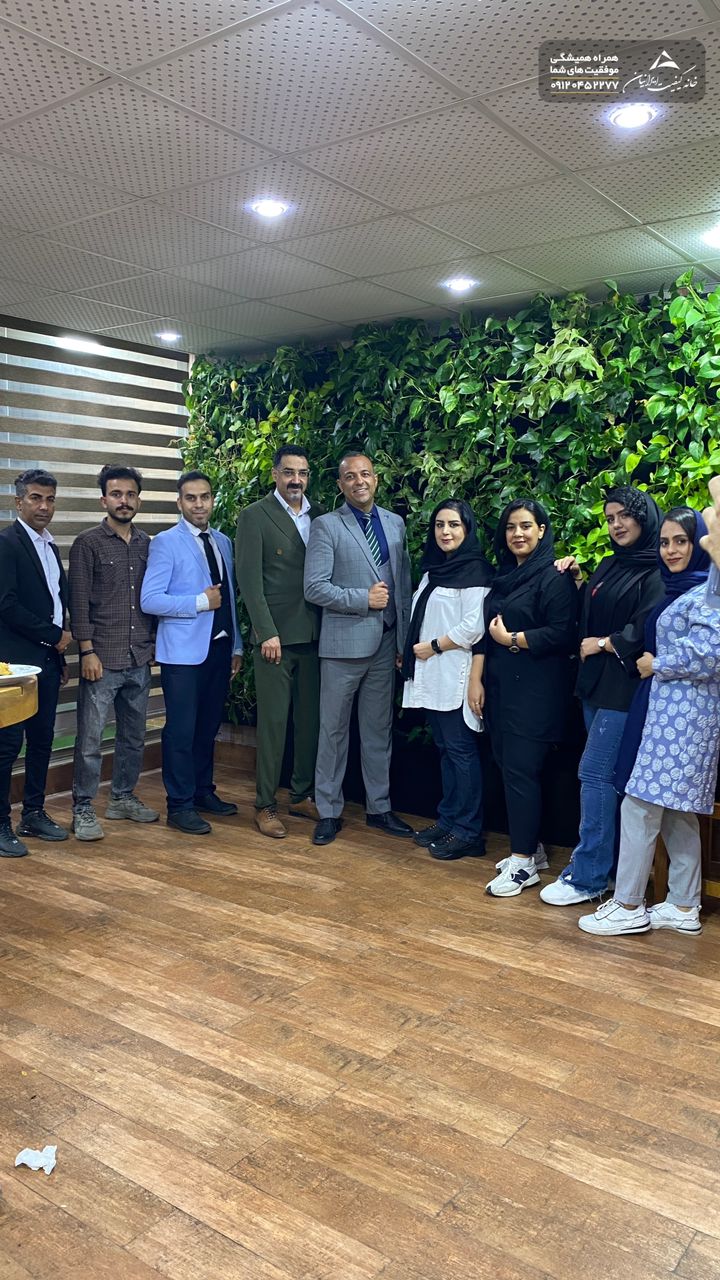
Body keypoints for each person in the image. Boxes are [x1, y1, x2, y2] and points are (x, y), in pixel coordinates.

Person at [579, 507, 717, 936]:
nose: (671, 550)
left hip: (684, 716)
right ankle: (683, 904)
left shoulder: (710, 591)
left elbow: (711, 654)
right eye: (665, 541)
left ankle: (628, 904)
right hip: (668, 712)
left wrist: (657, 664)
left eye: (682, 541)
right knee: (675, 812)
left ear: (701, 545)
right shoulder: (679, 588)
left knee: (638, 805)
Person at [540, 486, 664, 906]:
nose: (616, 525)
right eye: (610, 518)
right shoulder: (612, 563)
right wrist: (579, 581)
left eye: (624, 515)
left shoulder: (657, 568)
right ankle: (607, 872)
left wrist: (605, 643)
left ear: (643, 516)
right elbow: (592, 613)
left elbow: (645, 626)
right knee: (607, 781)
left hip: (625, 689)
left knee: (595, 775)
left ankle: (587, 878)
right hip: (595, 685)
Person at [304, 450, 414, 846]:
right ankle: (328, 811)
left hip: (386, 644)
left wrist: (402, 641)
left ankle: (378, 808)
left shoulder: (395, 523)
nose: (359, 481)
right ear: (340, 485)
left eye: (365, 474)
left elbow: (403, 587)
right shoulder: (326, 526)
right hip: (342, 647)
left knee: (378, 731)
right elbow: (314, 587)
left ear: (375, 479)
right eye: (350, 476)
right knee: (333, 732)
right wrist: (361, 599)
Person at [472, 499, 579, 897]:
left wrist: (513, 639)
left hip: (535, 693)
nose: (518, 534)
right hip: (503, 689)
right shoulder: (506, 577)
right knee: (508, 766)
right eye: (511, 527)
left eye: (526, 526)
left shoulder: (554, 576)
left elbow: (563, 633)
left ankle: (522, 867)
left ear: (542, 530)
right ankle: (532, 850)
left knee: (520, 772)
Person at [140, 470, 243, 835]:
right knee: (181, 732)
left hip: (219, 649)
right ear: (179, 502)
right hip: (182, 655)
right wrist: (199, 602)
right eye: (191, 498)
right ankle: (179, 805)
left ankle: (202, 792)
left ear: (212, 499)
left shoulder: (223, 541)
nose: (199, 504)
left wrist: (236, 643)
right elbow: (150, 600)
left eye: (205, 497)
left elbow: (229, 599)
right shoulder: (165, 543)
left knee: (207, 728)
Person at [235, 444, 323, 839]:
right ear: (274, 474)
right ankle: (265, 804)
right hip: (275, 640)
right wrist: (265, 631)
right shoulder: (255, 516)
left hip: (316, 636)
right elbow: (249, 581)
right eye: (288, 472)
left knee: (310, 723)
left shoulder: (320, 517)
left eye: (302, 473)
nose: (295, 480)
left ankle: (301, 795)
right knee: (273, 725)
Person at [68, 464, 159, 841]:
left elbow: (153, 598)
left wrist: (153, 644)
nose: (124, 501)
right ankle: (83, 807)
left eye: (131, 494)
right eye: (117, 494)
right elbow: (78, 601)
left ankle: (122, 797)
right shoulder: (87, 543)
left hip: (139, 656)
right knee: (90, 740)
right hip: (101, 658)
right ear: (103, 499)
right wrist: (86, 651)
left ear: (139, 499)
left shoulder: (148, 544)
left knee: (134, 736)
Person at [401, 500, 492, 860]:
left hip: (456, 674)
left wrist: (434, 646)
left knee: (461, 752)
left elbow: (475, 626)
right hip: (431, 674)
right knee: (445, 750)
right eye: (439, 525)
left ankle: (468, 832)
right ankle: (450, 819)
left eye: (454, 524)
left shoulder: (477, 571)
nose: (445, 531)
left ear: (467, 529)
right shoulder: (433, 571)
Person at [0, 469, 72, 857]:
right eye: (35, 498)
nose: (44, 506)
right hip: (14, 667)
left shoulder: (49, 545)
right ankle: (1, 823)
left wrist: (58, 654)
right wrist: (54, 635)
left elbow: (54, 602)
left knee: (42, 740)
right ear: (19, 501)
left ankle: (33, 814)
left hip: (46, 661)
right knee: (7, 745)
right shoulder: (6, 543)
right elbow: (6, 605)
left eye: (50, 499)